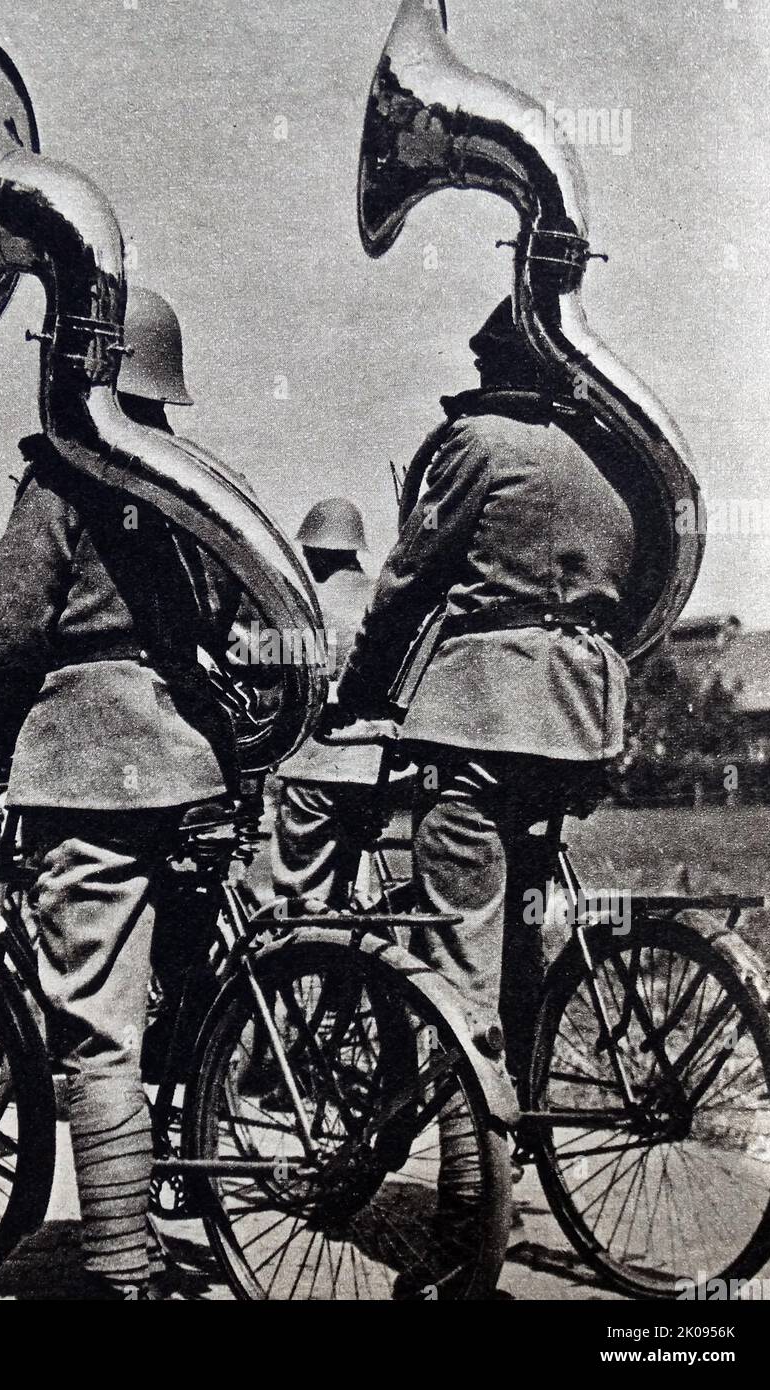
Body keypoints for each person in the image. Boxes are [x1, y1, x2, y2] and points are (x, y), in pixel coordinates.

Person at [0, 288, 235, 1298]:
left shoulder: (63, 477)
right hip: (193, 763)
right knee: (180, 996)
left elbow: (3, 631)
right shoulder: (197, 485)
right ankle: (185, 1176)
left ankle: (119, 1261)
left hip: (89, 765)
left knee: (98, 1021)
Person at [332, 297, 637, 1076]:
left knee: (455, 953)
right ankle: (524, 1122)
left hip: (484, 714)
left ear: (497, 367)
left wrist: (359, 693)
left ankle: (471, 1189)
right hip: (579, 721)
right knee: (518, 930)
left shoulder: (480, 442)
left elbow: (405, 580)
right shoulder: (608, 465)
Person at [270, 499, 386, 909]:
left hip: (315, 768)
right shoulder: (381, 599)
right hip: (378, 771)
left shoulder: (303, 607)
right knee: (355, 898)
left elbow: (257, 667)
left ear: (314, 550)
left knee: (300, 898)